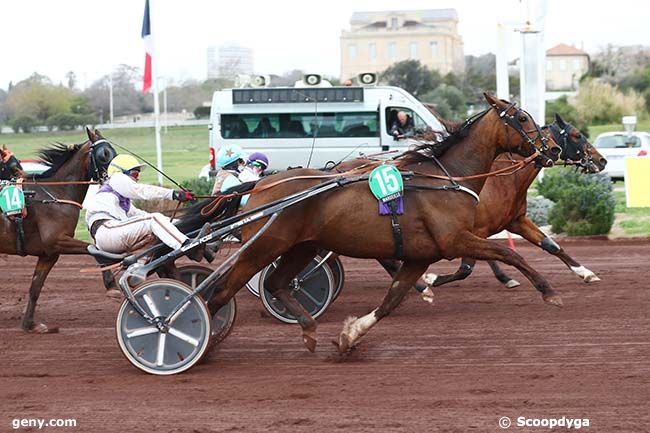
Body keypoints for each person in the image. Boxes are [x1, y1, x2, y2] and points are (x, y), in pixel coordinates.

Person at [85, 154, 210, 260]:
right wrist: (173, 194)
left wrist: (182, 223)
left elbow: (141, 215)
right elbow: (141, 191)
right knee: (153, 219)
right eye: (134, 173)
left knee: (155, 220)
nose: (137, 178)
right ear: (120, 172)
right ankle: (188, 247)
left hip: (111, 234)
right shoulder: (115, 178)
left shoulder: (120, 202)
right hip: (107, 232)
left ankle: (206, 247)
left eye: (138, 174)